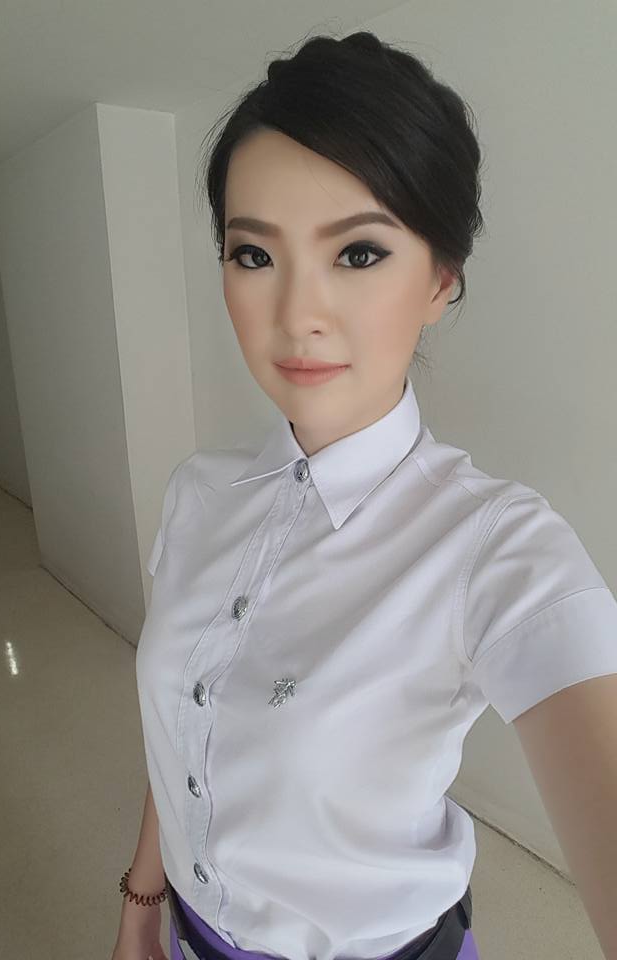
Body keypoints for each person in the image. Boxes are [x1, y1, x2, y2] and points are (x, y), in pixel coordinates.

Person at [110, 30, 617, 960]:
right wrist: (145, 898)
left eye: (358, 253)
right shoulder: (197, 496)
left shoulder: (495, 547)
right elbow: (186, 716)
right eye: (253, 255)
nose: (298, 313)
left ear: (441, 279)